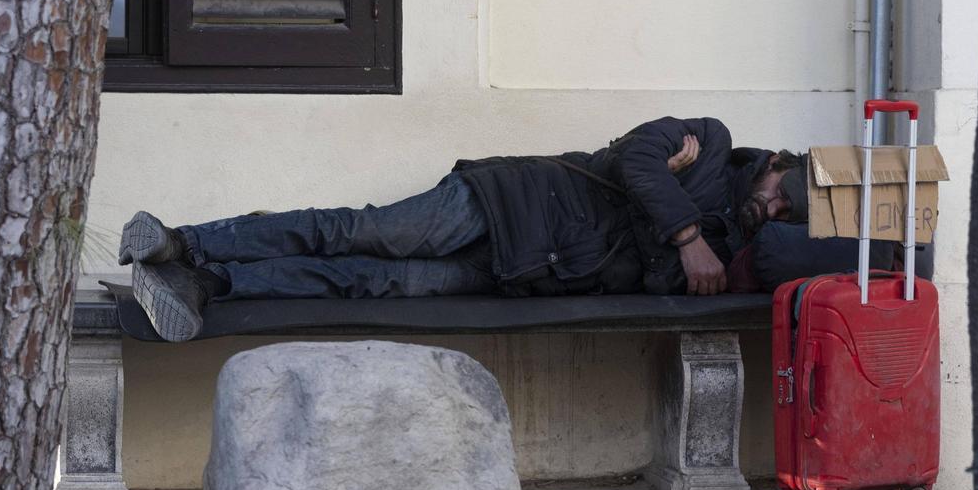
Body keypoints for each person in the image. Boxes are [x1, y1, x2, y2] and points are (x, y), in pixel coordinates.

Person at [121, 116, 808, 341]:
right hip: (506, 203)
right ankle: (184, 240)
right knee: (357, 231)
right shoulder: (712, 141)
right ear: (773, 164)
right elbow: (633, 157)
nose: (772, 210)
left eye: (785, 215)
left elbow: (655, 272)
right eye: (781, 195)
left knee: (364, 281)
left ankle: (208, 282)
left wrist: (671, 222)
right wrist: (684, 235)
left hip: (522, 272)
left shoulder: (733, 246)